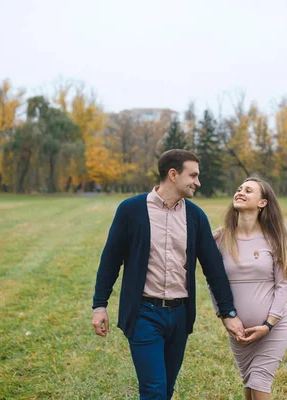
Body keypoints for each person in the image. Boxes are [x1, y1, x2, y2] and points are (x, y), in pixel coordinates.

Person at [92, 149, 245, 400]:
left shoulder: (195, 216)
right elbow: (110, 260)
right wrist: (99, 305)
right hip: (144, 314)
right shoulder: (131, 210)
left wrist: (228, 312)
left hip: (180, 316)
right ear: (173, 174)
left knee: (166, 390)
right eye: (193, 175)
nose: (198, 182)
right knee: (153, 390)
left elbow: (213, 269)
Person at [212, 177, 287, 400]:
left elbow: (283, 283)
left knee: (259, 382)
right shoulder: (219, 239)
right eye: (239, 189)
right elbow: (214, 283)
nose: (240, 192)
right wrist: (226, 317)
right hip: (238, 332)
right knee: (250, 387)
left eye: (248, 190)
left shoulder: (274, 238)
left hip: (273, 327)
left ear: (263, 203)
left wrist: (269, 324)